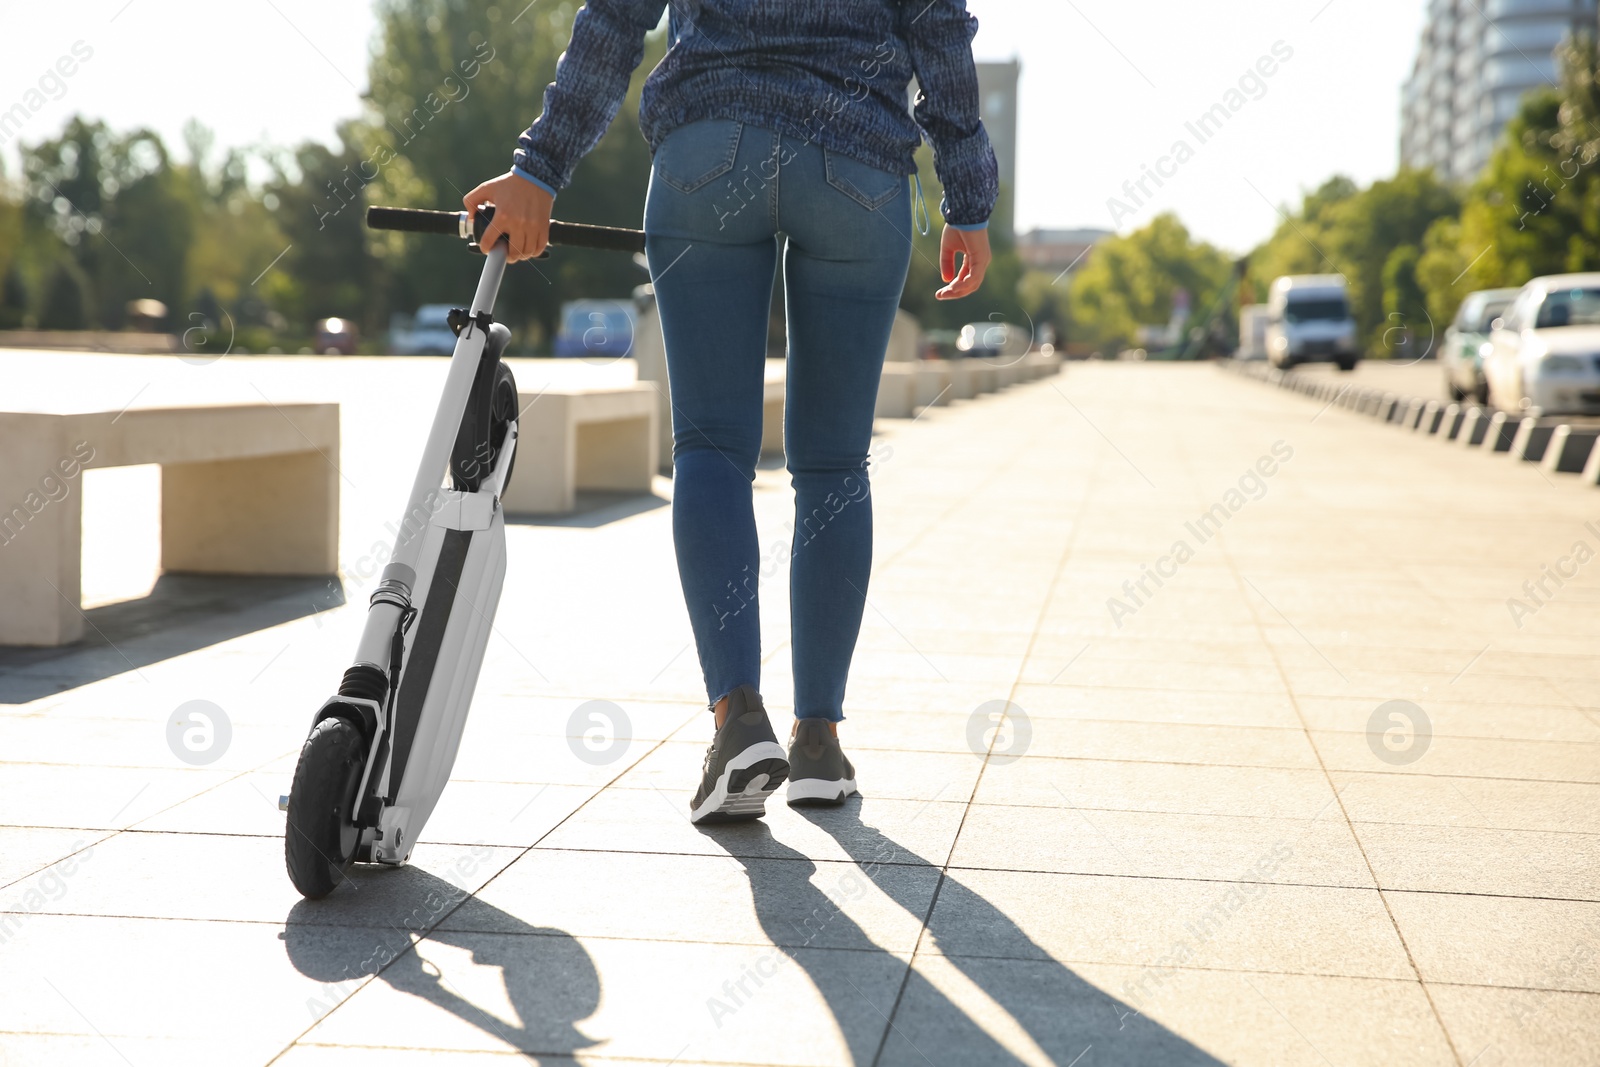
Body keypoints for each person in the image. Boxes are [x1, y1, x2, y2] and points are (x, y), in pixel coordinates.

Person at [465, 1, 996, 824]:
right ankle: (818, 740)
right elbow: (940, 30)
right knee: (833, 465)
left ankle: (737, 718)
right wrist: (967, 199)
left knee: (711, 446)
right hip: (858, 167)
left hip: (709, 149)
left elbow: (615, 19)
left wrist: (539, 168)